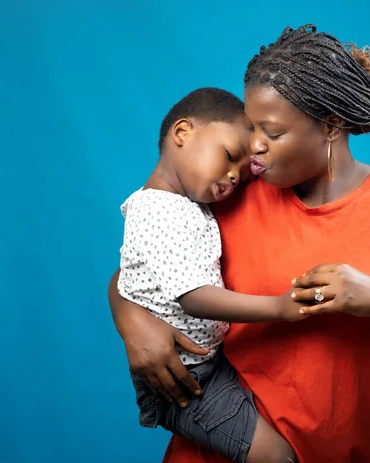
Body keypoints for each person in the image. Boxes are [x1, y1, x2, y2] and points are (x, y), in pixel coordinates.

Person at [108, 24, 370, 463]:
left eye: (273, 132)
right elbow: (143, 266)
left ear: (331, 125)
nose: (255, 147)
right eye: (250, 128)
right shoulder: (232, 190)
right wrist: (133, 323)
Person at [116, 87, 306, 463]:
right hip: (185, 380)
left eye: (242, 172)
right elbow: (194, 296)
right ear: (183, 133)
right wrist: (279, 308)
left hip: (209, 364)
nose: (235, 176)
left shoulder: (192, 205)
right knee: (276, 457)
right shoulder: (158, 209)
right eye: (230, 156)